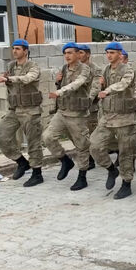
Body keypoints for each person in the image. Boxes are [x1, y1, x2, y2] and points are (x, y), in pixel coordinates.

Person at [89, 42, 136, 199]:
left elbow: (124, 84)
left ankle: (126, 184)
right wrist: (100, 87)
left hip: (125, 118)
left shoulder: (128, 69)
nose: (109, 55)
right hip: (108, 117)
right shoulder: (106, 69)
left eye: (112, 52)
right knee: (94, 145)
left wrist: (107, 89)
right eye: (107, 52)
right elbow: (98, 87)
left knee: (126, 152)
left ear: (119, 54)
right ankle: (111, 169)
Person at [0, 39, 44, 187]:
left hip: (30, 110)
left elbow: (28, 78)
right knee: (2, 137)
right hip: (15, 110)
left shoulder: (33, 66)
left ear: (25, 51)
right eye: (13, 48)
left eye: (18, 49)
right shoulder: (11, 66)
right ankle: (21, 162)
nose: (14, 51)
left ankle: (37, 173)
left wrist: (9, 78)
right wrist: (6, 78)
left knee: (33, 143)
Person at [43, 42, 93, 190]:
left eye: (70, 53)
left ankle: (82, 176)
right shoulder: (64, 68)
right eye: (65, 53)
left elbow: (77, 83)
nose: (67, 56)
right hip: (62, 111)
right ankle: (65, 161)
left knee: (81, 145)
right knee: (47, 137)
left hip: (77, 114)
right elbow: (62, 84)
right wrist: (58, 81)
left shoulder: (85, 69)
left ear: (78, 54)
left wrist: (59, 91)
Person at [77, 44, 102, 170]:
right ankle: (85, 158)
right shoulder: (75, 69)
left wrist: (88, 100)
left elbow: (96, 86)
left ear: (88, 54)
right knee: (80, 134)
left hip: (90, 108)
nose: (78, 55)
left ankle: (91, 159)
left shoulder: (95, 69)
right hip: (76, 109)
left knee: (91, 135)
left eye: (81, 52)